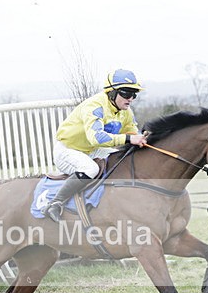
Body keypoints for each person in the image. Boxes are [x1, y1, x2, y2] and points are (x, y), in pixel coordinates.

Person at [42, 69, 148, 222]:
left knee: (120, 160)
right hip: (68, 150)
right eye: (126, 93)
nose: (130, 98)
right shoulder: (95, 106)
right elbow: (96, 138)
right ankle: (55, 203)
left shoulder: (126, 112)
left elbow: (132, 133)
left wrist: (144, 138)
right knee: (91, 169)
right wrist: (129, 139)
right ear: (112, 92)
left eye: (134, 94)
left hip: (91, 150)